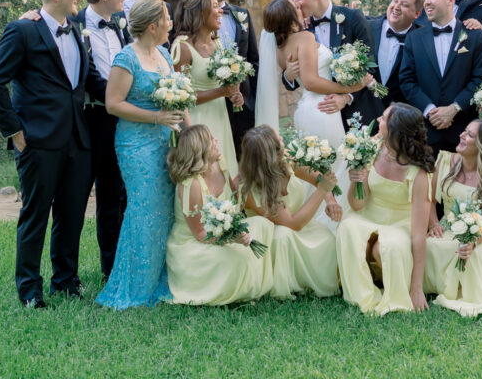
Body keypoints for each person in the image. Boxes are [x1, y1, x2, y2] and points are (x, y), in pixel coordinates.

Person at [0, 0, 106, 308]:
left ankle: (66, 281)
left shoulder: (78, 30)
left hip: (77, 140)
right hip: (37, 141)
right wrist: (15, 131)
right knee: (35, 216)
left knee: (71, 215)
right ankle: (29, 290)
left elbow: (86, 83)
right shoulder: (23, 30)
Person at [97, 0, 187, 310]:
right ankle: (133, 285)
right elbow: (113, 104)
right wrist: (154, 117)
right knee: (143, 209)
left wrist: (190, 131)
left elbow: (178, 96)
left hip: (167, 140)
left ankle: (161, 280)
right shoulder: (126, 58)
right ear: (152, 26)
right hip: (136, 144)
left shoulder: (164, 53)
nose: (171, 24)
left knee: (166, 210)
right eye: (167, 19)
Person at [256, 0, 372, 207]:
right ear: (291, 20)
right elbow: (310, 82)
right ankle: (332, 218)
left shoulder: (279, 48)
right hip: (323, 109)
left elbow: (299, 78)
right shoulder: (305, 38)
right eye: (295, 6)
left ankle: (314, 214)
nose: (299, 6)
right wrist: (351, 88)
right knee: (333, 168)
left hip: (306, 110)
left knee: (315, 167)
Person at [335, 103, 432, 315]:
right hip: (368, 214)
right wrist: (356, 180)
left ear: (396, 130)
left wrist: (417, 289)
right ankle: (363, 296)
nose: (378, 119)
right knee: (348, 227)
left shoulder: (419, 174)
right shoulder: (370, 149)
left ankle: (396, 293)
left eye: (384, 118)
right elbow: (357, 204)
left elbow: (418, 236)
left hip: (400, 223)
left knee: (388, 247)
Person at [165, 124, 273, 305]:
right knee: (238, 260)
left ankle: (256, 280)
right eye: (211, 139)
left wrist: (252, 169)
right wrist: (231, 239)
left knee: (263, 225)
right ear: (200, 149)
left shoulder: (219, 163)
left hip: (222, 232)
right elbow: (199, 234)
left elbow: (234, 196)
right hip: (192, 245)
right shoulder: (192, 185)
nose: (216, 141)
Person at [239, 125, 340, 299]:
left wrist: (330, 200)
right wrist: (322, 191)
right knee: (283, 236)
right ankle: (287, 283)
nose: (282, 140)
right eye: (278, 141)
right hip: (271, 235)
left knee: (328, 240)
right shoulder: (252, 191)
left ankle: (310, 281)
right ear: (272, 156)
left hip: (300, 224)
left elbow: (318, 178)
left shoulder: (287, 160)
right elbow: (294, 223)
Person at [424, 120, 482, 316]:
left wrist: (473, 242)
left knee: (472, 256)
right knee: (428, 245)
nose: (462, 135)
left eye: (470, 135)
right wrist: (434, 223)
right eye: (465, 131)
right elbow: (428, 199)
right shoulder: (445, 160)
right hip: (448, 227)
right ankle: (436, 286)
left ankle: (462, 288)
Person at [76, 0, 129, 280]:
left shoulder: (121, 25)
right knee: (78, 197)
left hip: (120, 121)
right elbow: (87, 75)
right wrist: (117, 96)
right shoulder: (74, 25)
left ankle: (112, 268)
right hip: (90, 120)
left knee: (113, 197)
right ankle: (66, 273)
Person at [399, 0, 482, 153]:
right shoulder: (414, 38)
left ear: (450, 0)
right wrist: (430, 111)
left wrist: (454, 108)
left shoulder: (475, 36)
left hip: (462, 131)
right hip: (425, 132)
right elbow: (407, 80)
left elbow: (480, 79)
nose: (426, 2)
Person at [287, 0, 379, 126]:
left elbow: (370, 69)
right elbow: (298, 78)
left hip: (356, 115)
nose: (295, 4)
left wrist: (346, 97)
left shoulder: (353, 18)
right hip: (320, 116)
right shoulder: (300, 29)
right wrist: (288, 76)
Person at [171, 0, 241, 177]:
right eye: (215, 7)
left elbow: (223, 85)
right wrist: (221, 92)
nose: (220, 12)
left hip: (220, 116)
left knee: (226, 173)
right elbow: (180, 98)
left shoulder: (217, 44)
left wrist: (235, 93)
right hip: (197, 123)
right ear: (200, 12)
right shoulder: (182, 48)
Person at [195, 0, 258, 158]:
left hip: (241, 106)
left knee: (241, 164)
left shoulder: (242, 15)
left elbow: (253, 60)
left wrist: (251, 101)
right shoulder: (188, 15)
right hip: (206, 106)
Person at [367, 0, 423, 108]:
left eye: (404, 5)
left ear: (417, 14)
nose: (396, 7)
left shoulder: (422, 39)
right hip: (365, 110)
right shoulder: (366, 28)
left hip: (400, 116)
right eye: (395, 1)